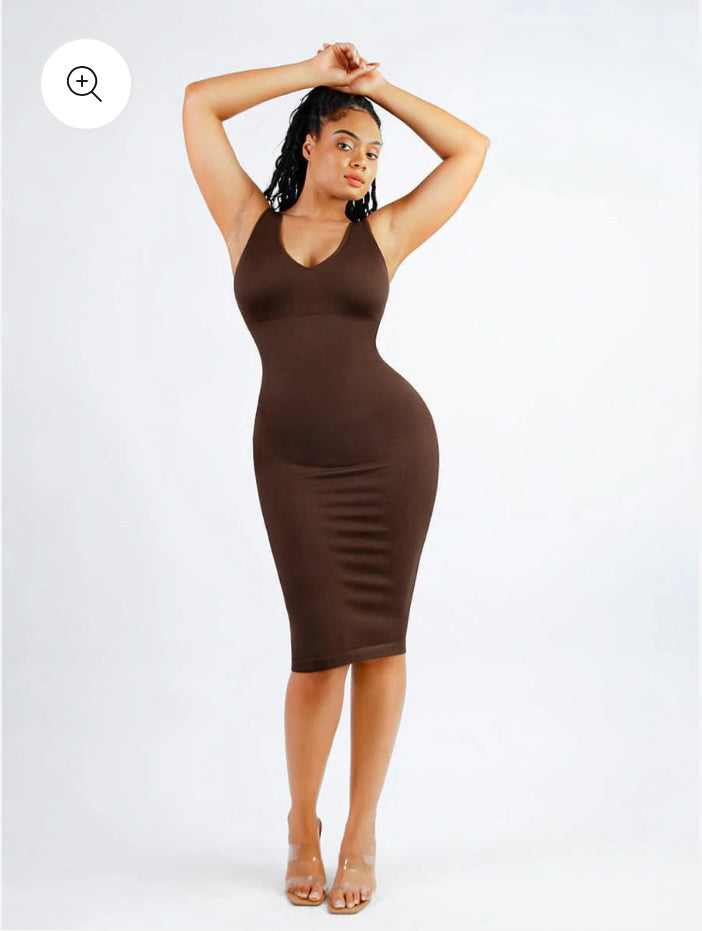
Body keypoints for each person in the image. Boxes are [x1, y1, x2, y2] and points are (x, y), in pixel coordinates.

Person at [182, 41, 489, 914]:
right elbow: (199, 104)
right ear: (309, 143)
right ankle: (301, 821)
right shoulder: (245, 221)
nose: (362, 162)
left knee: (382, 643)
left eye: (374, 152)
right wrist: (316, 74)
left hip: (392, 452)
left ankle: (360, 831)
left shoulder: (381, 235)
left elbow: (470, 149)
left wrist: (382, 89)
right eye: (347, 142)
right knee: (317, 653)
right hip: (290, 459)